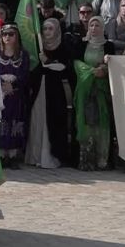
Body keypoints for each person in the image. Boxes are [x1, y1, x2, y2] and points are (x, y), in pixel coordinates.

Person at [26, 18, 75, 169]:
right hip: (39, 90)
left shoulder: (64, 47)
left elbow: (65, 69)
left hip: (55, 92)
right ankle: (35, 156)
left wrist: (48, 61)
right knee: (37, 119)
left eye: (50, 29)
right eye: (45, 29)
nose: (47, 32)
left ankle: (51, 157)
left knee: (53, 121)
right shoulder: (37, 46)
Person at [74, 16, 116, 171]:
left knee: (102, 122)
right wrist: (92, 71)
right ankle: (86, 160)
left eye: (97, 25)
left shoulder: (109, 46)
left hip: (101, 89)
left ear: (103, 28)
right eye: (91, 25)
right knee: (86, 122)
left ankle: (102, 160)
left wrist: (104, 70)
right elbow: (77, 63)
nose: (93, 28)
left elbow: (113, 64)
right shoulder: (82, 44)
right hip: (86, 88)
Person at [0, 23, 30, 169]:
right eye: (4, 34)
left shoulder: (23, 54)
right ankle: (1, 155)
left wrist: (14, 86)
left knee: (15, 122)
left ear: (17, 36)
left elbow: (25, 74)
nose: (7, 37)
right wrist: (1, 86)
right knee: (1, 122)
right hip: (0, 93)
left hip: (16, 95)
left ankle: (13, 156)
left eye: (11, 34)